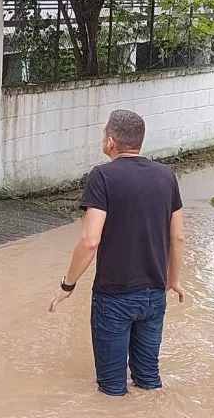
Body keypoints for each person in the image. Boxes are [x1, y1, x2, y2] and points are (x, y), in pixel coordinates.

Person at [48, 110, 185, 397]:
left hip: (114, 296)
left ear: (111, 141)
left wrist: (67, 285)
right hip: (154, 294)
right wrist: (174, 280)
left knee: (111, 389)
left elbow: (90, 241)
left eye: (103, 135)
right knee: (148, 381)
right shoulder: (166, 176)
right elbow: (178, 236)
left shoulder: (101, 176)